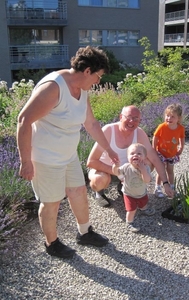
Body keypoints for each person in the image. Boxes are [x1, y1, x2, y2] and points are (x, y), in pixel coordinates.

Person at [17, 46, 119, 259]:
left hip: (68, 154)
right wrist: (26, 161)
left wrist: (109, 150)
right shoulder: (53, 87)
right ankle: (51, 243)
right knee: (52, 202)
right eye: (98, 77)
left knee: (78, 192)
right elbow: (24, 121)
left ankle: (84, 232)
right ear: (88, 71)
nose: (98, 82)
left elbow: (91, 123)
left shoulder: (82, 91)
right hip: (46, 158)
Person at [87, 105, 174, 208]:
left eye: (135, 119)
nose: (131, 121)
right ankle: (99, 193)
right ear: (121, 117)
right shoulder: (108, 131)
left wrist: (165, 183)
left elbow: (154, 158)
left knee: (149, 164)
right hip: (105, 169)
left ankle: (124, 186)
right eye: (128, 117)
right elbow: (91, 162)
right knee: (99, 180)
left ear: (139, 121)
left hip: (127, 171)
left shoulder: (139, 133)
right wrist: (120, 173)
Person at [112, 143, 155, 232]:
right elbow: (117, 173)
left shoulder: (146, 168)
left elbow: (147, 180)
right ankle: (129, 222)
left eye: (139, 154)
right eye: (132, 154)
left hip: (141, 192)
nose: (135, 155)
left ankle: (143, 208)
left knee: (143, 203)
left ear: (145, 157)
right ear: (128, 157)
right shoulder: (126, 167)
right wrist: (115, 166)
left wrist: (143, 170)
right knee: (131, 210)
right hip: (129, 194)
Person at [152, 103, 185, 198]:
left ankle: (171, 187)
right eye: (167, 116)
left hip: (172, 154)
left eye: (172, 116)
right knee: (160, 170)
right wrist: (154, 149)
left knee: (170, 170)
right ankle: (158, 188)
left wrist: (181, 148)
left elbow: (182, 138)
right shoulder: (162, 127)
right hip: (161, 153)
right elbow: (155, 137)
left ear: (178, 118)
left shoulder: (180, 128)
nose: (169, 118)